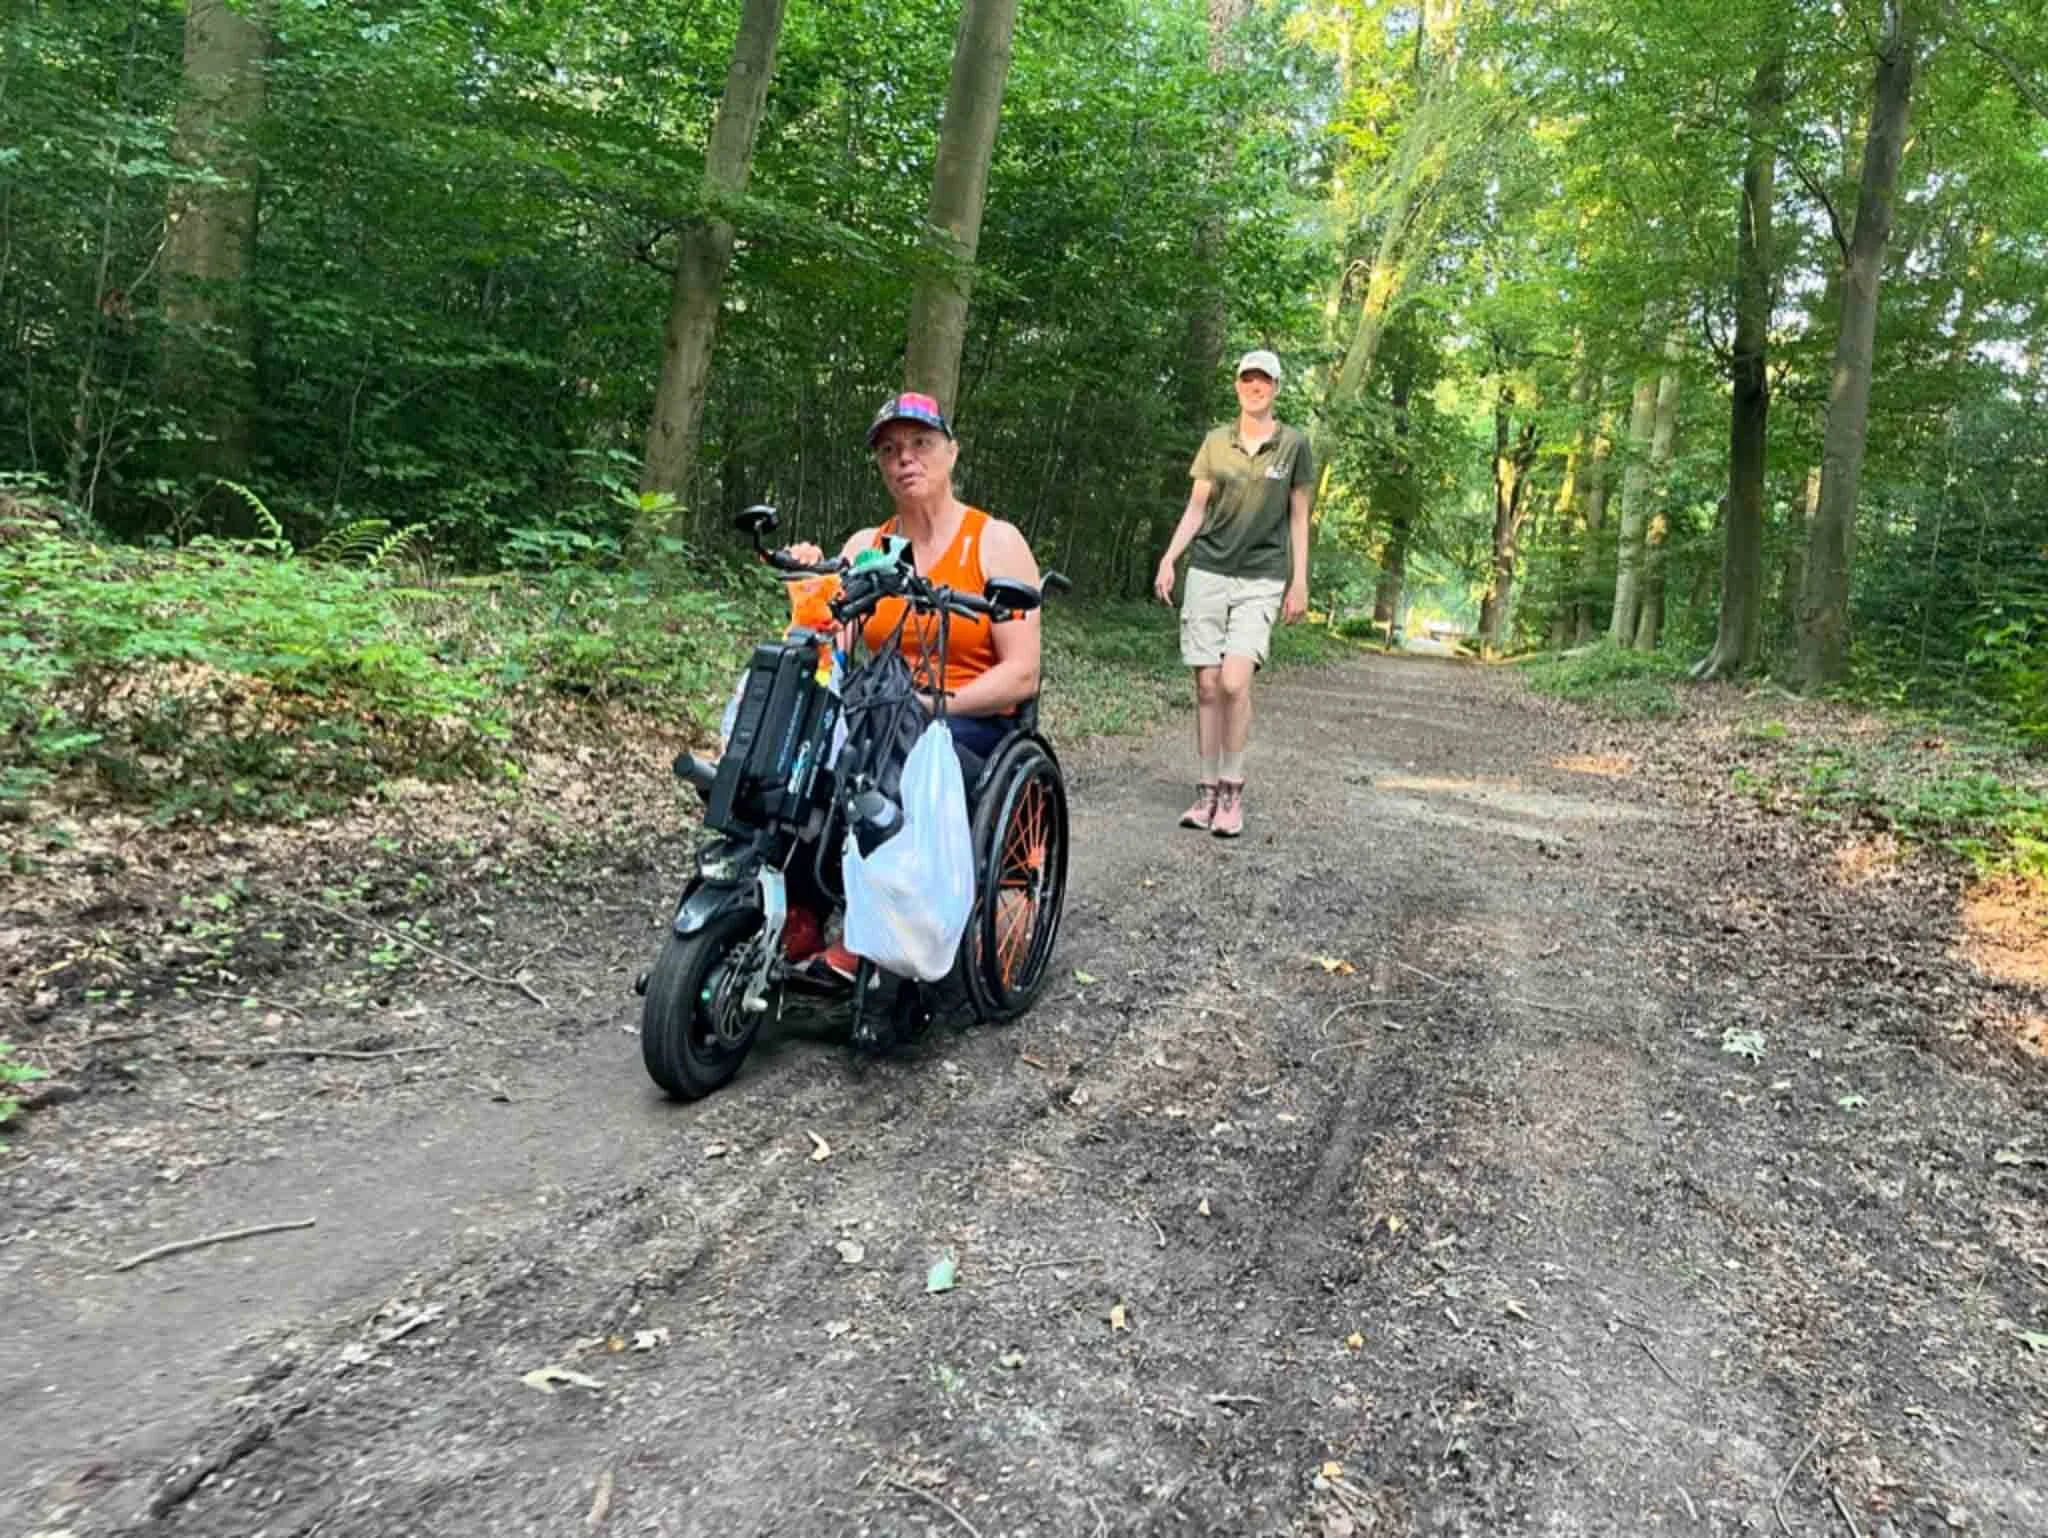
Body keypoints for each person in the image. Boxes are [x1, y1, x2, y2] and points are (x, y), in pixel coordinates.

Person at [782, 390, 1044, 979]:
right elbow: (833, 648)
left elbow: (1021, 673)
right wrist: (808, 595)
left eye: (921, 444)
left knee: (886, 737)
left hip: (973, 721)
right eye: (890, 450)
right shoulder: (866, 548)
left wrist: (932, 704)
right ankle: (800, 906)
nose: (905, 459)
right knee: (806, 730)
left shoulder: (994, 541)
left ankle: (874, 932)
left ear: (951, 452)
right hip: (883, 706)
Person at [1153, 348, 1314, 839]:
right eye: (1247, 379)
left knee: (1234, 681)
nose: (1254, 387)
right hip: (1208, 569)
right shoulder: (1215, 442)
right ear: (1237, 385)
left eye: (1263, 380)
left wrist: (1299, 580)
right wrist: (1169, 557)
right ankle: (1205, 792)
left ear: (1276, 388)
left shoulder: (1293, 446)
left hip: (1261, 576)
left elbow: (1299, 517)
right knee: (1206, 684)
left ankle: (1231, 789)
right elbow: (1196, 509)